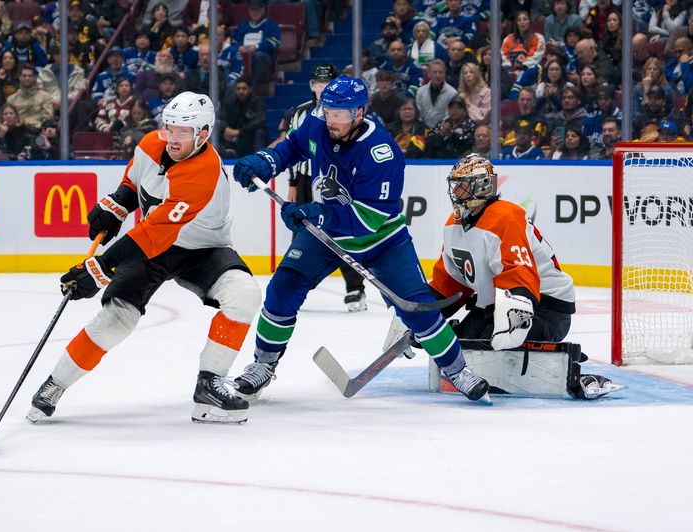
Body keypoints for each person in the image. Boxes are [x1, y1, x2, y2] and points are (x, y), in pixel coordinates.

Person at [230, 75, 490, 403]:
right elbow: (294, 145)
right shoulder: (318, 124)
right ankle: (263, 365)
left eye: (339, 115)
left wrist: (315, 213)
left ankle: (457, 370)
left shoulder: (381, 153)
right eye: (327, 111)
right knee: (281, 291)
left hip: (383, 242)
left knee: (418, 310)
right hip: (325, 235)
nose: (330, 120)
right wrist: (266, 161)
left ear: (359, 114)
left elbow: (369, 219)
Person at [27, 92, 261, 425]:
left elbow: (155, 233)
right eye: (170, 128)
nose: (173, 138)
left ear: (204, 133)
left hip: (202, 249)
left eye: (184, 131)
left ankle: (209, 387)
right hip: (155, 245)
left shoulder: (203, 172)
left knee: (245, 295)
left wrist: (100, 269)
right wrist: (115, 207)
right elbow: (133, 184)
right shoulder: (151, 144)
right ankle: (55, 385)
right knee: (116, 318)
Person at [430, 154, 575, 350]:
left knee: (491, 346)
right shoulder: (453, 224)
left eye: (462, 184)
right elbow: (452, 280)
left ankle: (567, 374)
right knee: (458, 345)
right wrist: (427, 314)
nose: (455, 191)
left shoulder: (506, 217)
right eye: (455, 184)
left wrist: (515, 314)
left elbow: (519, 273)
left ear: (482, 185)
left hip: (545, 306)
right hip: (496, 303)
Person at [276, 63, 368, 312]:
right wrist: (293, 183)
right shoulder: (300, 113)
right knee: (302, 233)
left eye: (328, 85)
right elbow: (293, 149)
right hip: (306, 180)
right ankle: (295, 286)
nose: (323, 89)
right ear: (312, 86)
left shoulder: (347, 112)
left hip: (335, 181)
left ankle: (355, 288)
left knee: (342, 233)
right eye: (319, 85)